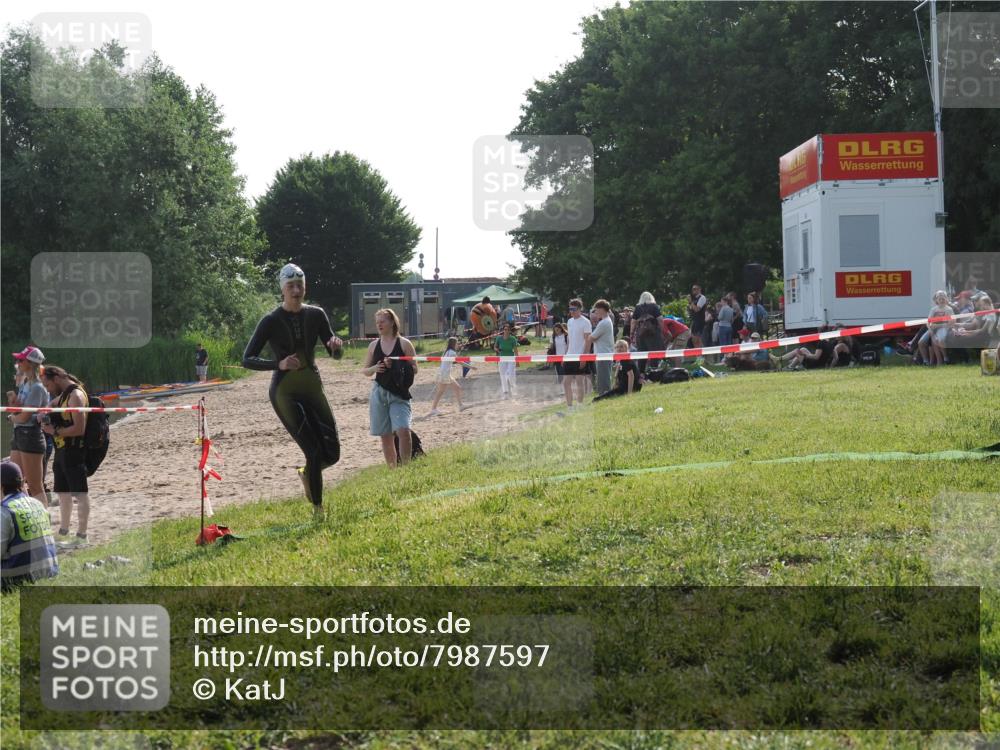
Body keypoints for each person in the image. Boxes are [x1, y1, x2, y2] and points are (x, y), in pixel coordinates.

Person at [243, 264, 343, 517]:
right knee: (313, 451)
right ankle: (318, 509)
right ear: (283, 290)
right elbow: (247, 359)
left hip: (312, 387)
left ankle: (307, 473)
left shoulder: (316, 314)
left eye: (300, 285)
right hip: (284, 393)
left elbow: (335, 353)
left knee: (332, 454)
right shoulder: (270, 320)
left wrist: (336, 347)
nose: (296, 290)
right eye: (291, 286)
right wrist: (279, 364)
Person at [38, 366, 89, 545]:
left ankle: (82, 535)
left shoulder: (76, 395)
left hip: (74, 451)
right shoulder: (64, 395)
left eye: (48, 385)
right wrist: (44, 413)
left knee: (80, 494)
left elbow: (79, 428)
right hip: (61, 451)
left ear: (56, 378)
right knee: (63, 493)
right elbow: (51, 404)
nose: (48, 390)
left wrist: (54, 431)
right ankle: (64, 531)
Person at [362, 308, 418, 468]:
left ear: (392, 322)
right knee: (385, 436)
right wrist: (375, 368)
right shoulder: (373, 345)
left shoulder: (404, 343)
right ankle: (393, 470)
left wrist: (397, 364)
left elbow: (415, 368)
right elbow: (365, 371)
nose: (379, 325)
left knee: (403, 431)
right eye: (377, 322)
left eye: (382, 321)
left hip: (399, 394)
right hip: (379, 393)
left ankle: (405, 468)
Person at [1, 461, 58, 591]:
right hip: (49, 572)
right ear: (22, 483)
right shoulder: (37, 504)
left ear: (1, 486)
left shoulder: (4, 511)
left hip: (18, 578)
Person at [6, 346, 48, 501]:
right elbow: (20, 410)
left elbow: (24, 417)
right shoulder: (25, 384)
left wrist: (11, 418)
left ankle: (43, 515)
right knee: (14, 481)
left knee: (35, 486)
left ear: (30, 363)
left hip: (30, 435)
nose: (18, 363)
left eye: (21, 360)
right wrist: (13, 401)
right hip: (19, 434)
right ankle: (24, 511)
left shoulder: (37, 387)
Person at [563, 298, 592, 407]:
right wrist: (565, 355)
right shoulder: (569, 321)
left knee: (579, 382)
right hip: (569, 356)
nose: (571, 311)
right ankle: (570, 407)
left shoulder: (586, 322)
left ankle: (579, 406)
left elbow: (588, 341)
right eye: (570, 309)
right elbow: (569, 340)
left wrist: (584, 357)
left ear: (580, 309)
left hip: (580, 356)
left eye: (574, 309)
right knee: (566, 383)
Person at [427, 337, 465, 416]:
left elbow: (454, 360)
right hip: (444, 374)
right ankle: (433, 409)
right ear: (454, 344)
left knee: (457, 388)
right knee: (440, 392)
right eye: (457, 343)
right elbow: (459, 362)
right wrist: (471, 367)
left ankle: (461, 405)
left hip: (445, 373)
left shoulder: (448, 351)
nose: (458, 345)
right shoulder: (451, 352)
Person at [586, 299, 615, 394]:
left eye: (596, 310)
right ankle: (603, 395)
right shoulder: (606, 321)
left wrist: (590, 337)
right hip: (603, 353)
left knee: (603, 380)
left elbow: (591, 338)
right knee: (603, 378)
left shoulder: (604, 322)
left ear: (602, 309)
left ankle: (605, 396)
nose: (595, 313)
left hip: (603, 354)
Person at [494, 323, 519, 398]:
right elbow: (495, 347)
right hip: (502, 358)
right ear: (503, 330)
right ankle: (505, 391)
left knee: (511, 374)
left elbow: (515, 350)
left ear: (510, 331)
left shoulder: (513, 339)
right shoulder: (499, 338)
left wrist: (517, 361)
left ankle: (513, 389)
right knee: (503, 375)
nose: (506, 331)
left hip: (511, 358)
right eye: (505, 329)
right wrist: (497, 350)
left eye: (508, 330)